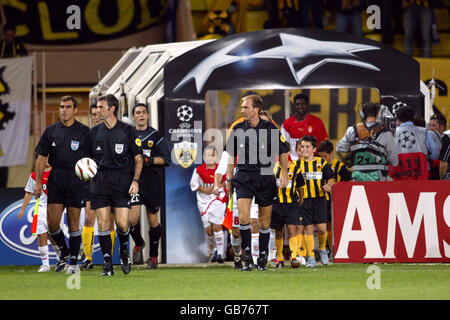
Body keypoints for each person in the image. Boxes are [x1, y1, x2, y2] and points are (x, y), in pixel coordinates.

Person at [225, 93, 290, 271]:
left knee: (264, 222)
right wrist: (229, 177)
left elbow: (283, 151)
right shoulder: (238, 128)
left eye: (246, 107)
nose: (242, 110)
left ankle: (262, 258)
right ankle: (248, 260)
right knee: (244, 218)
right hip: (243, 176)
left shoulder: (271, 128)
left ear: (256, 109)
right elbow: (231, 155)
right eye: (242, 107)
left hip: (265, 175)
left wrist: (284, 173)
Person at [87, 94, 143, 276]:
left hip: (122, 181)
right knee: (103, 222)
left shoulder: (128, 131)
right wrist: (85, 173)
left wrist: (135, 180)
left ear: (112, 109)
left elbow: (138, 158)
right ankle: (107, 263)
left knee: (122, 223)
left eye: (101, 107)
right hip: (100, 182)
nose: (97, 111)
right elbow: (87, 160)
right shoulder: (93, 133)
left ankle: (124, 251)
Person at [34, 95, 89, 274]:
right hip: (56, 178)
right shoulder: (51, 131)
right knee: (52, 224)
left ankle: (72, 262)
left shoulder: (84, 132)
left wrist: (89, 176)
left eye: (67, 107)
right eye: (61, 107)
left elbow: (92, 160)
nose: (63, 110)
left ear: (75, 110)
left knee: (74, 223)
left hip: (76, 179)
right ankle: (65, 253)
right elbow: (41, 158)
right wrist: (37, 183)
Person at [128, 103, 171, 269]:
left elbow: (166, 159)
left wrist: (148, 160)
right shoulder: (128, 135)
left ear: (147, 115)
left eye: (144, 112)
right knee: (131, 219)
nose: (141, 115)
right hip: (134, 181)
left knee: (153, 220)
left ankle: (153, 256)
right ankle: (139, 243)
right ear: (133, 116)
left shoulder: (155, 135)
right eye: (137, 112)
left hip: (152, 181)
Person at [80, 104, 116, 270]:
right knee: (89, 218)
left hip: (110, 182)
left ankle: (108, 258)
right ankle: (88, 258)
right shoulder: (88, 135)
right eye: (93, 114)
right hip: (91, 183)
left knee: (109, 222)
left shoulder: (111, 133)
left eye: (98, 113)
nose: (96, 116)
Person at [17, 158, 62, 272]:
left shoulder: (57, 172)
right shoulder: (34, 176)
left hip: (54, 207)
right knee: (41, 235)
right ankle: (45, 265)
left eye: (48, 156)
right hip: (41, 208)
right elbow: (29, 193)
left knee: (53, 236)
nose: (46, 159)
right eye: (43, 157)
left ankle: (61, 259)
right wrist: (22, 210)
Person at [297, 135, 335, 268]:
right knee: (308, 229)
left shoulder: (322, 163)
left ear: (314, 149)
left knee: (322, 229)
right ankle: (311, 257)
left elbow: (331, 178)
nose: (304, 149)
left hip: (319, 199)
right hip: (304, 201)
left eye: (307, 147)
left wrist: (329, 186)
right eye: (302, 146)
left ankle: (323, 249)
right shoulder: (296, 165)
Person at [337, 102, 398, 181]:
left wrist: (356, 146)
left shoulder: (352, 130)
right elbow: (395, 162)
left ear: (362, 114)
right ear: (377, 114)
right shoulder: (386, 133)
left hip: (358, 178)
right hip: (379, 179)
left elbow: (341, 148)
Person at [191, 146, 228, 263]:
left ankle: (220, 253)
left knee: (217, 226)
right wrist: (205, 190)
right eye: (208, 155)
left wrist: (221, 187)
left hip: (217, 200)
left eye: (213, 155)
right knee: (208, 230)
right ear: (203, 157)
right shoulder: (199, 170)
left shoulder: (220, 170)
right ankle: (213, 250)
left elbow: (227, 182)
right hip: (203, 202)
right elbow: (194, 185)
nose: (210, 158)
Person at [317, 139, 352, 259]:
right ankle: (328, 248)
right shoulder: (318, 165)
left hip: (337, 201)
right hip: (323, 200)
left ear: (331, 153)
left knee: (334, 225)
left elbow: (348, 181)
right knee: (326, 225)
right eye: (321, 156)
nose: (323, 159)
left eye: (325, 156)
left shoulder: (340, 166)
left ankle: (334, 249)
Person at [270, 152, 305, 269]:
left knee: (291, 229)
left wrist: (301, 198)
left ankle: (294, 257)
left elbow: (300, 186)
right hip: (277, 204)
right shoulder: (274, 168)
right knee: (279, 231)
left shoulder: (295, 168)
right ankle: (280, 258)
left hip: (291, 204)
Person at [390, 104, 440, 180]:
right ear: (413, 117)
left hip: (399, 176)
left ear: (398, 120)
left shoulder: (392, 134)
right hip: (420, 175)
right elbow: (435, 153)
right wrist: (426, 159)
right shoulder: (424, 132)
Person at [281, 93, 328, 160]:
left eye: (303, 104)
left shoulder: (317, 122)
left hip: (313, 163)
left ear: (307, 105)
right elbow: (283, 145)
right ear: (294, 105)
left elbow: (324, 144)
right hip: (293, 163)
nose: (300, 107)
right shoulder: (287, 124)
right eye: (298, 104)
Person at [428, 113, 446, 180]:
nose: (430, 128)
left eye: (433, 126)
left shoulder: (447, 140)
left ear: (442, 127)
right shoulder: (427, 140)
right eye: (429, 126)